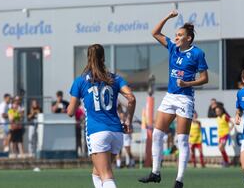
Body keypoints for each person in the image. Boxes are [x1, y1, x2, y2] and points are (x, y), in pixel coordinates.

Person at [138, 10, 208, 188]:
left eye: (180, 35)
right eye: (176, 35)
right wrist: (168, 17)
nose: (176, 37)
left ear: (188, 39)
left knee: (182, 140)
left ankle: (179, 180)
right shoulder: (172, 48)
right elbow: (154, 33)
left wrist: (187, 83)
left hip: (185, 99)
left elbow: (205, 78)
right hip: (170, 97)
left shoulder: (198, 54)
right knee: (157, 134)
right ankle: (155, 172)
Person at [67, 44, 136, 188]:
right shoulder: (115, 78)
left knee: (106, 175)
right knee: (97, 173)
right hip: (116, 132)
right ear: (103, 58)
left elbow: (70, 112)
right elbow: (132, 98)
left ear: (88, 58)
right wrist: (128, 120)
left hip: (97, 131)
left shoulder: (80, 81)